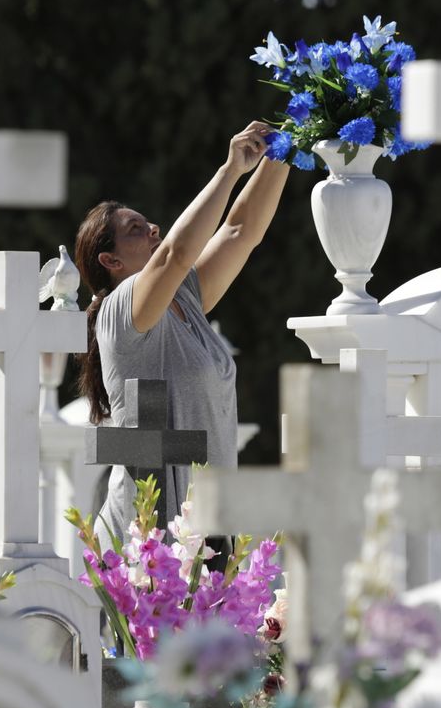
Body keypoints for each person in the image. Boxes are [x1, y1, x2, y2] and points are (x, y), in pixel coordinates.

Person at [75, 120, 290, 538]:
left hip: (208, 527)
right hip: (148, 539)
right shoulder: (118, 310)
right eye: (135, 230)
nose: (153, 229)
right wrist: (230, 169)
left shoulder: (185, 296)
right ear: (111, 262)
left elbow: (240, 231)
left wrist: (287, 148)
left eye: (148, 223)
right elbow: (175, 253)